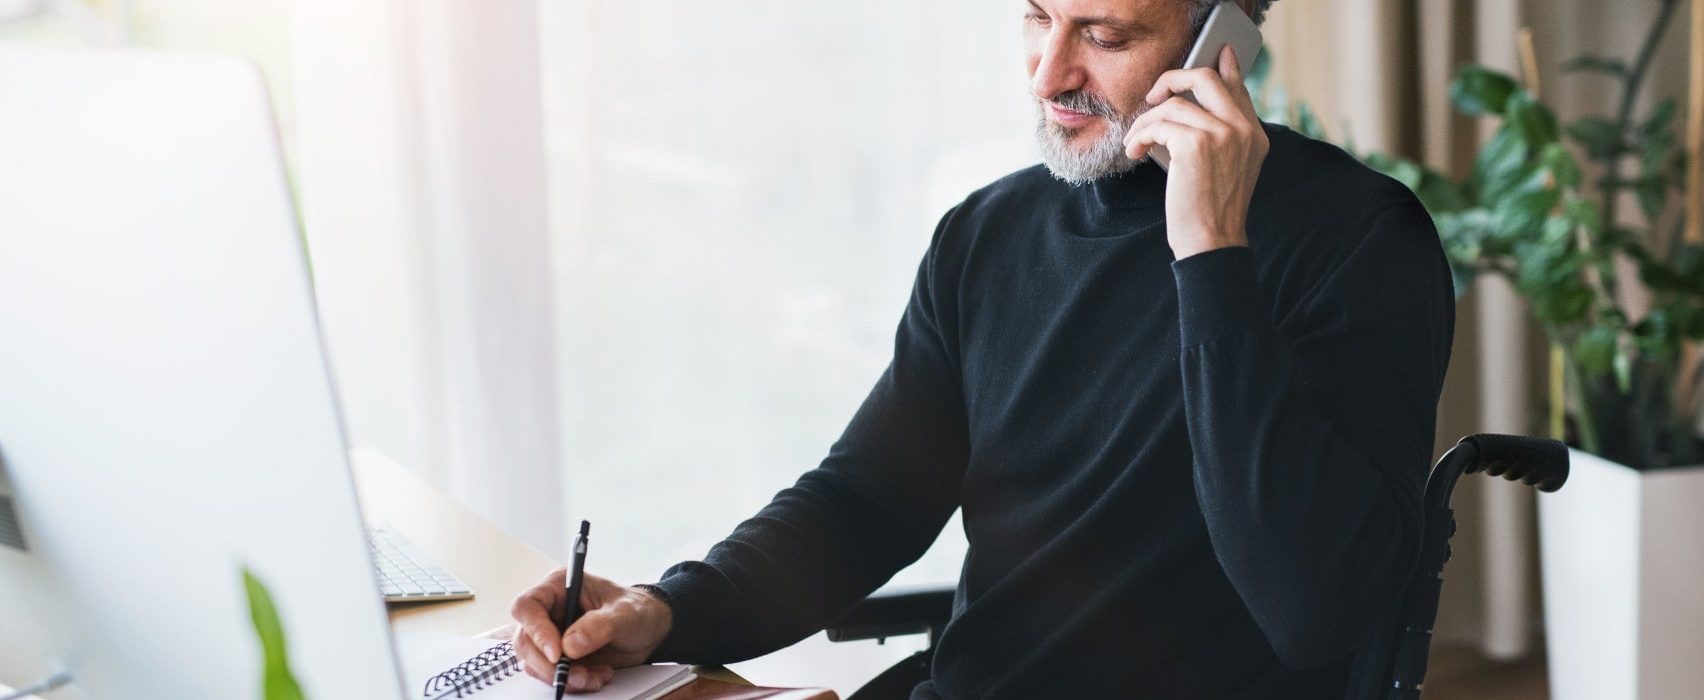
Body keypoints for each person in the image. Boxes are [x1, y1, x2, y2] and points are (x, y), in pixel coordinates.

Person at [510, 0, 1454, 697]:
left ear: (1226, 44)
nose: (1049, 74)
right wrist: (667, 611)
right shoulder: (986, 236)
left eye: (1104, 35)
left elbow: (1316, 611)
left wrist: (1210, 252)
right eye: (1037, 17)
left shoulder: (1359, 242)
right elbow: (865, 501)